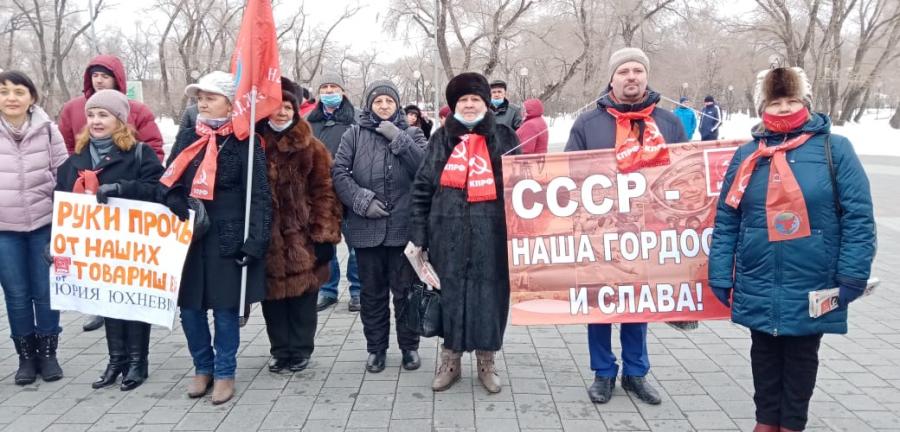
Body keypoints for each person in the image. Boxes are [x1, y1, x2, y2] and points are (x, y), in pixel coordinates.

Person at [709, 67, 876, 432]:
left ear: (805, 103)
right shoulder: (748, 154)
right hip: (758, 276)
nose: (784, 108)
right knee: (764, 355)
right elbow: (726, 219)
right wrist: (720, 273)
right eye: (775, 101)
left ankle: (792, 425)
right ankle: (765, 422)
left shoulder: (836, 150)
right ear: (762, 107)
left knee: (801, 356)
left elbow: (859, 217)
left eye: (792, 100)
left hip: (813, 277)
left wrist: (852, 275)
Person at [565, 47, 687, 405]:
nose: (631, 77)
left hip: (651, 233)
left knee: (639, 303)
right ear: (612, 78)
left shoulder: (668, 123)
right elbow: (570, 177)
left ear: (646, 76)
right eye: (624, 71)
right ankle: (603, 373)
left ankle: (636, 372)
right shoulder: (588, 124)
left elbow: (686, 175)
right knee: (600, 304)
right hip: (601, 232)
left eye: (637, 70)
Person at [161, 71, 272, 404]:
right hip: (192, 235)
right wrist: (174, 199)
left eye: (210, 97)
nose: (203, 103)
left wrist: (255, 241)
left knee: (225, 310)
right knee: (190, 309)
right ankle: (202, 367)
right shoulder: (187, 137)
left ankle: (225, 372)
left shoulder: (245, 141)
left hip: (229, 233)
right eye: (200, 98)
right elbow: (169, 178)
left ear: (229, 101)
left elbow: (260, 197)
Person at [409, 72, 520, 393]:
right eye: (463, 100)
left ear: (486, 103)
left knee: (491, 300)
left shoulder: (504, 136)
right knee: (451, 299)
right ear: (454, 105)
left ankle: (487, 360)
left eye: (475, 99)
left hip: (494, 238)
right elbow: (421, 189)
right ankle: (451, 360)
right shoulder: (440, 140)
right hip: (447, 239)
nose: (470, 105)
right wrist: (419, 235)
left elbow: (525, 187)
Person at [54, 89, 164, 391]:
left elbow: (158, 188)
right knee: (109, 302)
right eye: (91, 115)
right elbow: (61, 204)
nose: (96, 120)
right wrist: (56, 245)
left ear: (120, 120)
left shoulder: (140, 153)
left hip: (132, 244)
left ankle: (138, 363)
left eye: (103, 114)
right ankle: (116, 361)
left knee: (133, 302)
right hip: (97, 250)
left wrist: (120, 187)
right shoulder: (75, 160)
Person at [332, 79, 426, 373]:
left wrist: (399, 139)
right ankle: (376, 349)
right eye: (378, 102)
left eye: (389, 102)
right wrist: (361, 200)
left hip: (403, 230)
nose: (384, 106)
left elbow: (424, 169)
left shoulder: (412, 132)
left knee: (406, 293)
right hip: (366, 229)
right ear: (369, 105)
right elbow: (339, 171)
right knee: (372, 295)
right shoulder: (354, 134)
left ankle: (409, 347)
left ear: (397, 104)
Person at [259, 77, 342, 373]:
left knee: (303, 298)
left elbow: (325, 191)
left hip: (302, 238)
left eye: (287, 107)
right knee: (273, 299)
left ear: (295, 109)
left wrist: (323, 236)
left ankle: (301, 348)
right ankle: (280, 350)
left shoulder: (312, 146)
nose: (281, 112)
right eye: (275, 107)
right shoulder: (255, 144)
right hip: (267, 238)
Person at [0, 70, 68, 385]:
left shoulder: (49, 131)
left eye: (18, 91)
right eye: (3, 92)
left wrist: (65, 222)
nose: (10, 98)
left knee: (45, 291)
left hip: (45, 223)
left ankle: (48, 353)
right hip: (4, 230)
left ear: (32, 98)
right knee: (16, 294)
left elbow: (64, 177)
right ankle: (26, 358)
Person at [307, 73, 362, 312]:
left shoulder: (357, 119)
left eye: (334, 87)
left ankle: (358, 289)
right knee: (325, 241)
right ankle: (328, 289)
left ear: (343, 91)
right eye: (325, 88)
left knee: (356, 244)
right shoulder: (310, 121)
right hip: (321, 191)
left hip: (351, 188)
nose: (329, 92)